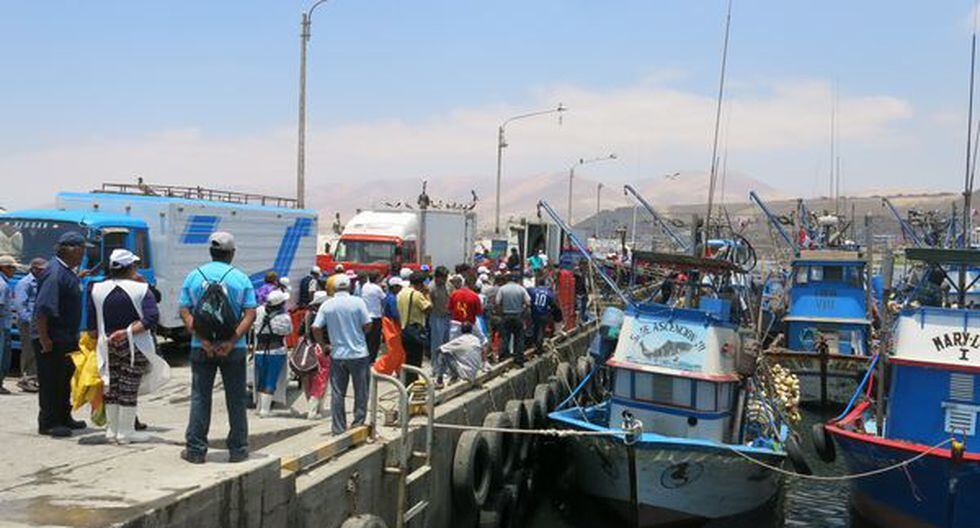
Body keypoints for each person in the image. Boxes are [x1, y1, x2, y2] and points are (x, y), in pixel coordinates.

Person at [178, 231, 257, 464]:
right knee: (236, 399)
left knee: (200, 397)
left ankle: (196, 450)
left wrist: (203, 340)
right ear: (231, 253)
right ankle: (238, 449)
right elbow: (250, 314)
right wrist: (231, 341)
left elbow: (185, 310)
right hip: (234, 348)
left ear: (211, 252)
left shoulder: (194, 276)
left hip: (200, 347)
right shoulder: (240, 278)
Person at [86, 249, 170, 444]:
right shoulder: (141, 289)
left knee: (111, 386)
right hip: (135, 344)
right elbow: (151, 318)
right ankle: (126, 432)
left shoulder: (95, 288)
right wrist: (126, 332)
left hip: (106, 343)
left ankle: (112, 429)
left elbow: (91, 324)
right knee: (129, 387)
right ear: (131, 267)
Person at [33, 231, 90, 437]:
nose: (83, 254)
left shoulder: (67, 272)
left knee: (64, 380)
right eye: (82, 249)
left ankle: (64, 417)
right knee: (51, 381)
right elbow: (42, 310)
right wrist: (44, 339)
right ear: (71, 249)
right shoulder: (55, 273)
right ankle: (49, 422)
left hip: (66, 337)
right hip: (53, 338)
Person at [312, 274, 372, 435]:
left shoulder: (327, 305)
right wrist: (359, 335)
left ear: (334, 288)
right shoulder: (358, 302)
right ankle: (358, 423)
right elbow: (368, 324)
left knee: (338, 393)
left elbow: (316, 327)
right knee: (361, 391)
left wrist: (323, 345)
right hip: (359, 354)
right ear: (350, 287)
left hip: (338, 354)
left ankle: (338, 428)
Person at [251, 289, 293, 418]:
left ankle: (259, 407)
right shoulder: (284, 317)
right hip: (277, 351)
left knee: (261, 378)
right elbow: (288, 331)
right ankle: (265, 410)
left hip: (259, 350)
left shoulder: (259, 311)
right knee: (271, 379)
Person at [14, 257, 46, 393]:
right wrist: (30, 321)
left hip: (37, 322)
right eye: (40, 269)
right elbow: (20, 305)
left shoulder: (41, 281)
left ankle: (34, 379)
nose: (43, 272)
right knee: (29, 351)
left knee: (37, 350)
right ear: (33, 269)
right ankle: (26, 379)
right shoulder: (24, 283)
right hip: (28, 323)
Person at [299, 291, 330, 420]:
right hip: (322, 349)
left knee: (309, 379)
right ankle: (313, 410)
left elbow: (300, 331)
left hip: (310, 349)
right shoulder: (324, 317)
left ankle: (313, 406)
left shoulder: (308, 315)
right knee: (321, 379)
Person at [397, 272, 431, 384]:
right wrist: (427, 294)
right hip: (415, 330)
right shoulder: (417, 295)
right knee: (416, 361)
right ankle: (412, 385)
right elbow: (428, 309)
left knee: (408, 359)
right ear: (420, 284)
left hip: (404, 329)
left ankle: (407, 384)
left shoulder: (401, 293)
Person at [495, 273, 530, 367]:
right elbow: (528, 302)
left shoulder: (502, 289)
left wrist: (501, 312)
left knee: (505, 337)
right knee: (519, 337)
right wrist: (523, 311)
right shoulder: (521, 289)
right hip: (518, 315)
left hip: (506, 315)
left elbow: (497, 302)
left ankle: (503, 357)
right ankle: (519, 359)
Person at [428, 267, 452, 386]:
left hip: (447, 316)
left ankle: (445, 368)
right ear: (437, 277)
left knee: (447, 343)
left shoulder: (448, 285)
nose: (445, 279)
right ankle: (436, 368)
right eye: (444, 277)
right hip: (436, 317)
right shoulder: (431, 287)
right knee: (437, 344)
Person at [527, 278, 559, 353]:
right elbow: (554, 304)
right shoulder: (549, 293)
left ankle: (532, 344)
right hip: (543, 314)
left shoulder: (532, 290)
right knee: (541, 330)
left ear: (537, 283)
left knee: (534, 328)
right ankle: (539, 347)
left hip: (534, 313)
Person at [0, 255, 17, 394]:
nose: (14, 272)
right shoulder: (3, 285)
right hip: (2, 326)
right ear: (3, 268)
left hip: (4, 324)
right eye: (12, 268)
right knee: (2, 356)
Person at [359, 271, 385, 362]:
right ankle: (372, 359)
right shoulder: (377, 288)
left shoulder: (365, 286)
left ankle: (365, 356)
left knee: (367, 338)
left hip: (365, 316)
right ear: (377, 278)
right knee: (375, 340)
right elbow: (384, 298)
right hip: (376, 316)